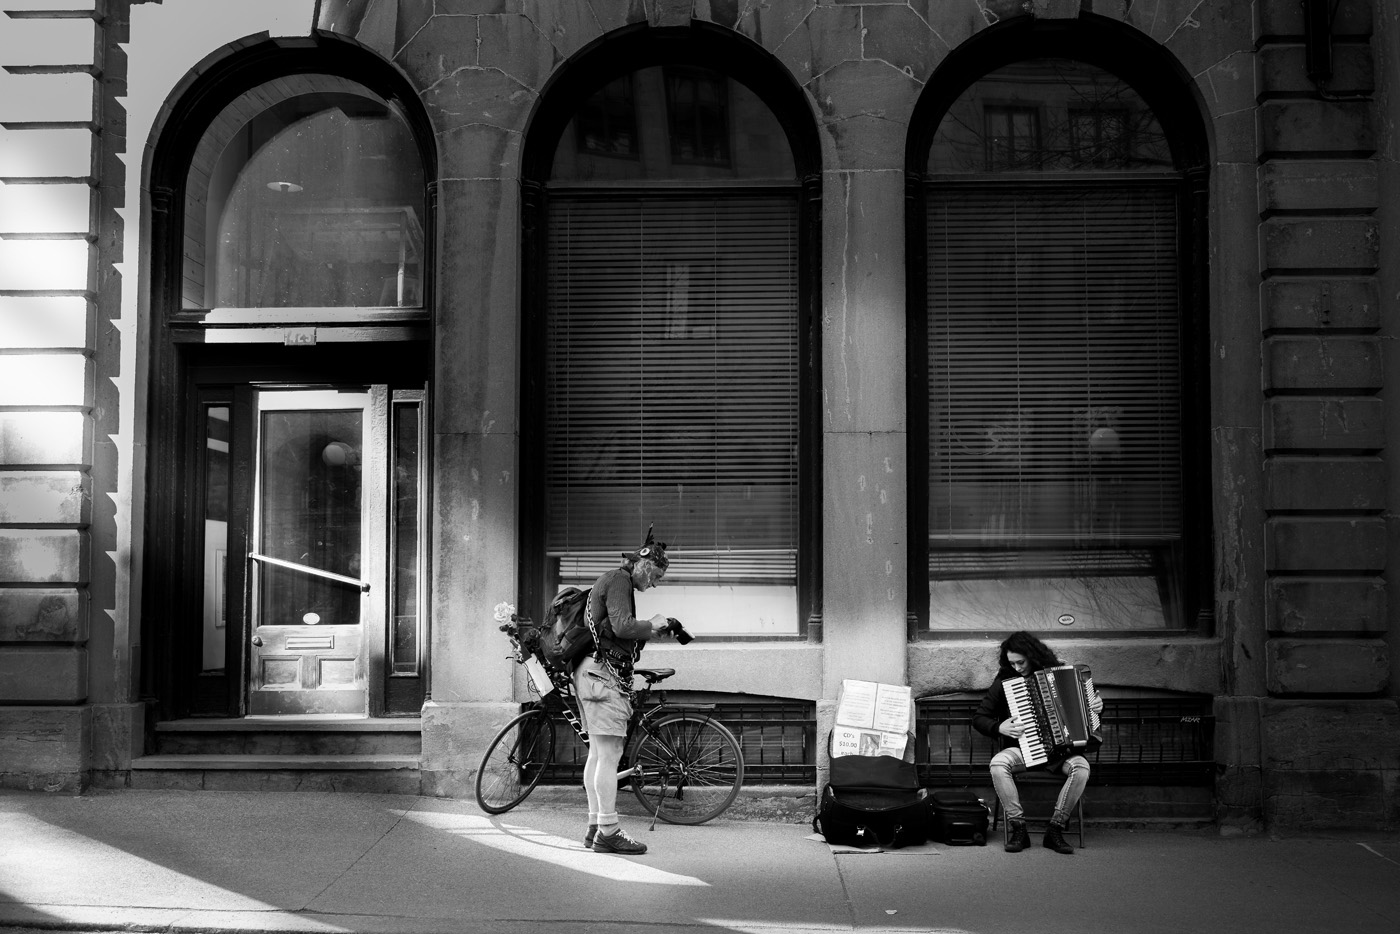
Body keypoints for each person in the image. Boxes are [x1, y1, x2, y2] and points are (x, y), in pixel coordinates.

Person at [575, 526, 677, 855]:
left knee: (598, 754)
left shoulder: (612, 580)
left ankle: (595, 827)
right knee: (609, 756)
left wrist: (646, 630)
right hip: (602, 676)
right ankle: (609, 830)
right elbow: (622, 626)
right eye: (656, 576)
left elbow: (616, 630)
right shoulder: (619, 580)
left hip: (591, 672)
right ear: (644, 566)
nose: (655, 583)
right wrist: (653, 624)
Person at [971, 630, 1103, 855]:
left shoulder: (1058, 673)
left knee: (1081, 768)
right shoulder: (1005, 680)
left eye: (1020, 662)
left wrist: (1097, 707)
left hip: (1060, 752)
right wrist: (999, 727)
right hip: (1023, 748)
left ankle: (1055, 829)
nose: (1017, 668)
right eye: (1011, 663)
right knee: (998, 764)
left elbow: (1086, 712)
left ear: (1032, 655)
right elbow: (979, 718)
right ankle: (1018, 828)